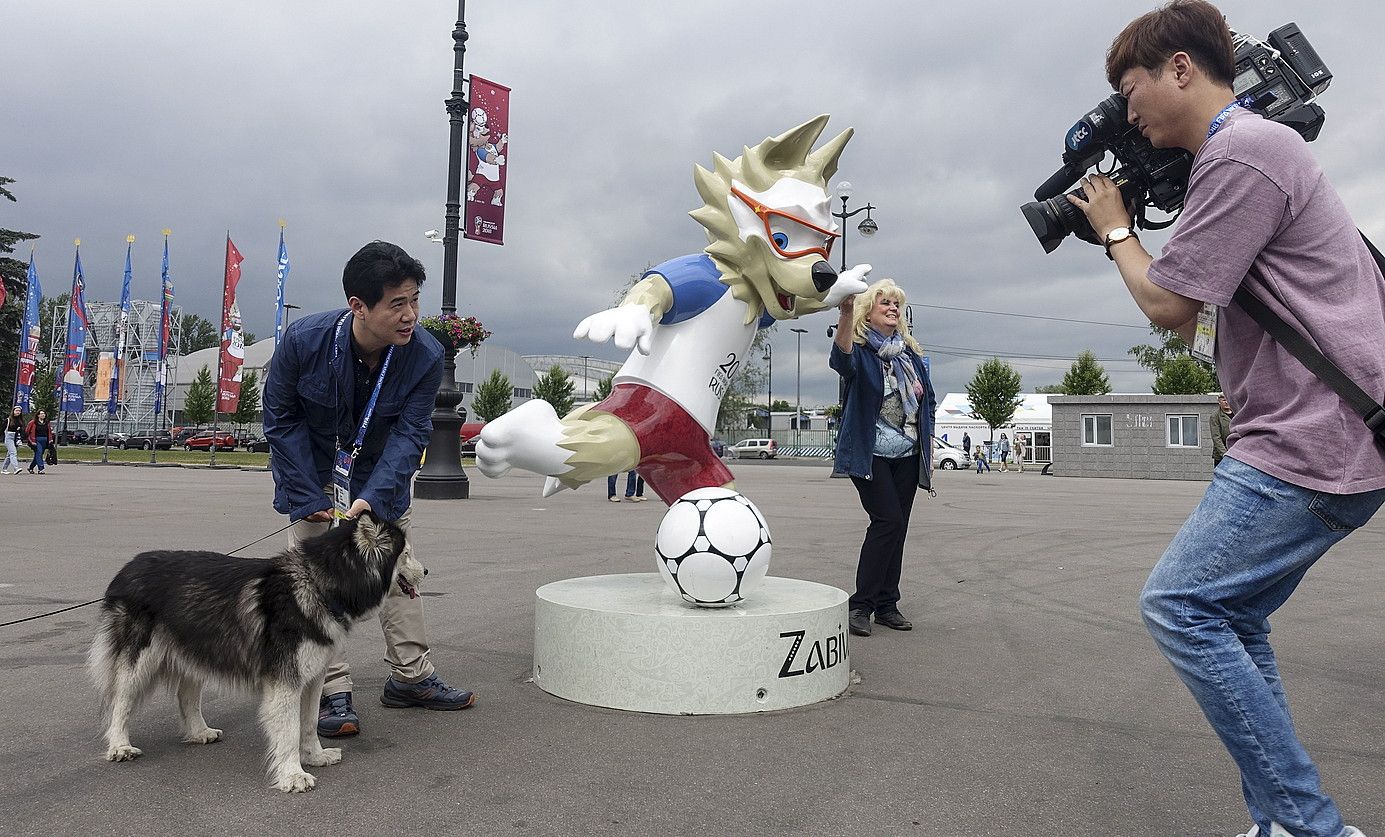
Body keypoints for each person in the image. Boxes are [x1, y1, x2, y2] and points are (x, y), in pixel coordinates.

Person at [1068, 3, 1385, 834]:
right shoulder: (1249, 152)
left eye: (1131, 91)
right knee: (1229, 614)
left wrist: (1114, 230)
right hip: (1321, 432)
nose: (1128, 114)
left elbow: (1169, 303)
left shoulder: (1243, 151)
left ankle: (1310, 825)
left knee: (1179, 605)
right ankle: (1283, 820)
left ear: (1180, 68)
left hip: (1308, 438)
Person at [263, 240, 476, 740]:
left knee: (399, 575)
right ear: (357, 306)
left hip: (381, 485)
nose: (410, 315)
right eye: (396, 303)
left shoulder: (423, 354)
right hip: (315, 483)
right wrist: (308, 495)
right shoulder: (304, 341)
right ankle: (330, 690)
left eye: (414, 300)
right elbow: (280, 419)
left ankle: (411, 677)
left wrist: (374, 500)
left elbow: (410, 434)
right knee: (317, 588)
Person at [830, 278, 936, 639]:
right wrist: (845, 313)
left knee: (898, 528)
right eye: (884, 303)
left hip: (907, 454)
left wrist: (928, 447)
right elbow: (839, 359)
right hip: (870, 453)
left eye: (896, 304)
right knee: (887, 521)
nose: (892, 308)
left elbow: (926, 403)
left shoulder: (910, 355)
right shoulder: (860, 352)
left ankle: (887, 604)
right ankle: (860, 604)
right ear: (868, 312)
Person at [25, 409, 53, 474]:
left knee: (38, 455)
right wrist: (31, 440)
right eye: (41, 413)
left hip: (45, 440)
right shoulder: (33, 422)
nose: (43, 415)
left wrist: (50, 440)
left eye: (44, 413)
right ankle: (41, 469)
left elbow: (49, 432)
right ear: (38, 415)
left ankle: (30, 467)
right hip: (36, 440)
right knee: (39, 453)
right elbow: (27, 431)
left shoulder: (47, 422)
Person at [1210, 391, 1233, 466]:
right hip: (1222, 456)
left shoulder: (1238, 413)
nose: (1226, 402)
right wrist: (1225, 454)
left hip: (1236, 452)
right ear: (1219, 402)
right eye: (1224, 400)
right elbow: (1216, 438)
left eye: (1228, 399)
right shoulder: (1215, 417)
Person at [3, 406, 24, 475]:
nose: (18, 412)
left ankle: (4, 469)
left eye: (19, 411)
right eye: (16, 410)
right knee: (13, 453)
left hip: (16, 438)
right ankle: (16, 468)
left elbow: (21, 430)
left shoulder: (20, 420)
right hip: (9, 437)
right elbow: (2, 429)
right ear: (13, 411)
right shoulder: (8, 420)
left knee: (9, 454)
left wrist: (21, 438)